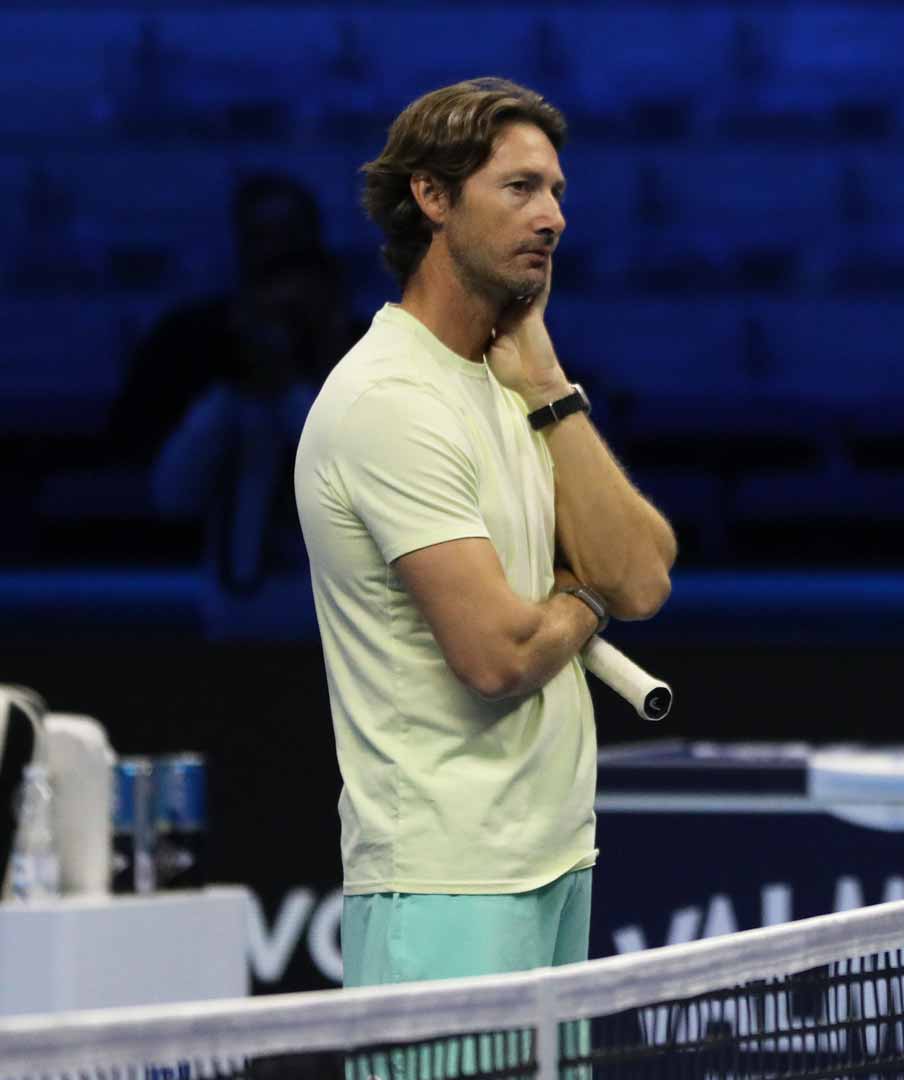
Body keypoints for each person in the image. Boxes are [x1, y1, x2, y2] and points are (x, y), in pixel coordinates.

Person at [294, 78, 676, 1000]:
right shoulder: (391, 400)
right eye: (519, 188)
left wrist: (547, 386)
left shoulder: (511, 383)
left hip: (555, 860)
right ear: (432, 196)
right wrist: (581, 598)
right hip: (445, 884)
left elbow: (642, 578)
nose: (553, 217)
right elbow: (499, 657)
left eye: (557, 193)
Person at [112, 174, 356, 593]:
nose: (276, 261)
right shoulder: (189, 343)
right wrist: (236, 386)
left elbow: (365, 489)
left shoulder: (365, 347)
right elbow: (169, 497)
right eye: (261, 242)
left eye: (291, 246)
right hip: (217, 589)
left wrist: (305, 375)